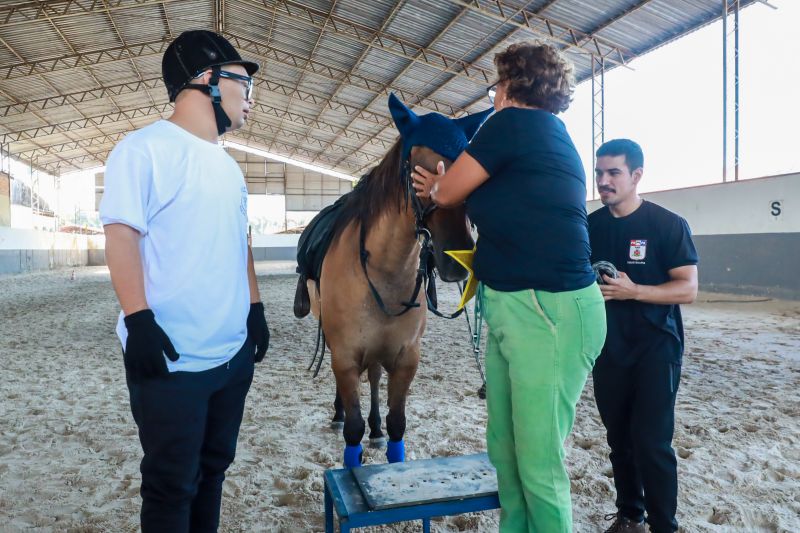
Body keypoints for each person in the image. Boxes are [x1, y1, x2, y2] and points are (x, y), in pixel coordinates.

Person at [412, 41, 606, 532]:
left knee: (539, 465)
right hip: (514, 306)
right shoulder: (542, 134)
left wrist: (434, 185)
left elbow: (448, 192)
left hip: (546, 309)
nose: (493, 94)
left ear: (511, 86)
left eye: (496, 84)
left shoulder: (512, 124)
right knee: (505, 450)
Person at [99, 30, 270, 532]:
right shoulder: (143, 149)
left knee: (213, 472)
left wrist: (254, 309)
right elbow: (121, 236)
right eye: (243, 82)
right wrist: (139, 320)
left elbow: (240, 243)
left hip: (231, 355)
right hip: (173, 358)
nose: (250, 97)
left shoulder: (229, 167)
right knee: (171, 486)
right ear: (206, 79)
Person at [589, 139, 699, 533]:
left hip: (656, 348)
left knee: (651, 442)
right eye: (599, 173)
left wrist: (635, 291)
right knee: (619, 439)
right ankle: (630, 516)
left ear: (636, 175)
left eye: (613, 172)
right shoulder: (589, 227)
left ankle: (664, 526)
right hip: (607, 349)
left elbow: (687, 288)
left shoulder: (667, 224)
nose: (604, 180)